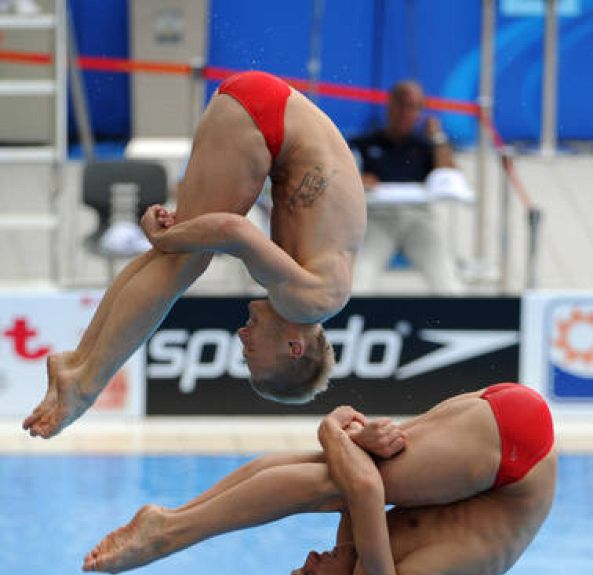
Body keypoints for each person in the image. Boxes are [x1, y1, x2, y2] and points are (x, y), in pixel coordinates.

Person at [82, 383, 556, 575]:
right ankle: (170, 533)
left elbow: (353, 469)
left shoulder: (356, 557)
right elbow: (362, 483)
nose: (310, 556)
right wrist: (332, 430)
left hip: (498, 426)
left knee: (327, 475)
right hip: (517, 454)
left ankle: (174, 517)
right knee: (330, 482)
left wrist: (350, 442)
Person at [23, 71, 367, 438]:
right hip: (265, 117)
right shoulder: (309, 302)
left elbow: (228, 233)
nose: (242, 337)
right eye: (251, 354)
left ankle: (79, 362)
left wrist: (175, 237)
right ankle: (86, 383)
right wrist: (169, 236)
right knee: (184, 258)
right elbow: (232, 230)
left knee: (177, 254)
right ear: (294, 348)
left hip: (265, 110)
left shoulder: (316, 292)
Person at [349, 79, 463, 294]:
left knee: (448, 284)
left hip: (418, 216)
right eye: (400, 104)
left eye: (413, 107)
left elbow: (451, 178)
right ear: (389, 105)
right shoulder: (363, 144)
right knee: (357, 283)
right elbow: (339, 178)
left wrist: (438, 137)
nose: (405, 112)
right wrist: (357, 179)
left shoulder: (427, 146)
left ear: (420, 112)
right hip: (377, 217)